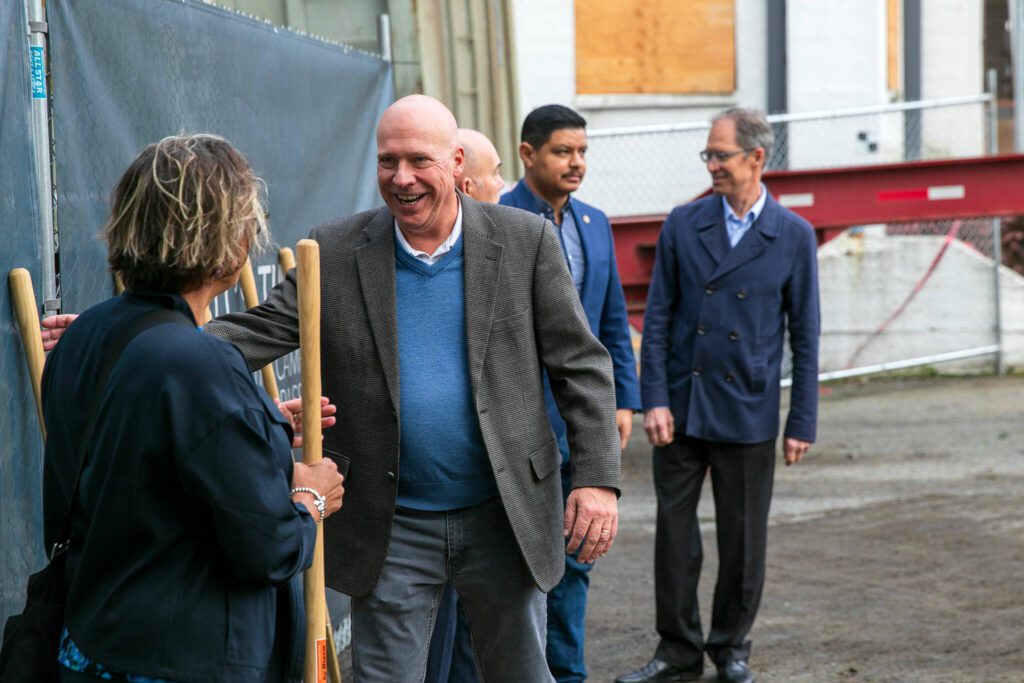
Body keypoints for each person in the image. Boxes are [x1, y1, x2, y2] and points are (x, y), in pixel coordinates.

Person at [203, 95, 622, 682]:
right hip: (390, 522)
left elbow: (580, 364)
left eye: (418, 161)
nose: (401, 178)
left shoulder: (524, 241)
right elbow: (254, 331)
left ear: (455, 162)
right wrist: (138, 335)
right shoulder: (338, 250)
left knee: (521, 674)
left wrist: (599, 480)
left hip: (504, 514)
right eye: (387, 161)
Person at [41, 134, 344, 682]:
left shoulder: (84, 338)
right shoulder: (200, 361)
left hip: (89, 645)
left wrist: (263, 428)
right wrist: (308, 496)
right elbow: (269, 547)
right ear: (228, 240)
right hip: (183, 658)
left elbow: (138, 462)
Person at [617, 109, 819, 683]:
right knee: (674, 538)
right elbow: (657, 319)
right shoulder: (684, 223)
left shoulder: (793, 235)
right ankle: (677, 650)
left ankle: (731, 649)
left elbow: (805, 336)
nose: (712, 165)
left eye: (720, 155)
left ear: (756, 158)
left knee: (743, 539)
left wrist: (801, 419)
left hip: (749, 408)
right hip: (680, 408)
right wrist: (653, 396)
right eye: (707, 156)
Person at [500, 104, 640, 683]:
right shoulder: (494, 218)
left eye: (582, 151)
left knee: (580, 549)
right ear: (528, 154)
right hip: (513, 424)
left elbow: (610, 323)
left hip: (578, 422)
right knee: (516, 565)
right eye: (563, 151)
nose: (576, 162)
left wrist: (623, 399)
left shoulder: (595, 223)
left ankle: (569, 674)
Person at [423, 127, 507, 683]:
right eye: (497, 173)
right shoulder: (355, 250)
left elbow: (581, 360)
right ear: (468, 184)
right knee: (434, 650)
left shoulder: (521, 243)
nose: (506, 185)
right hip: (409, 511)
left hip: (499, 497)